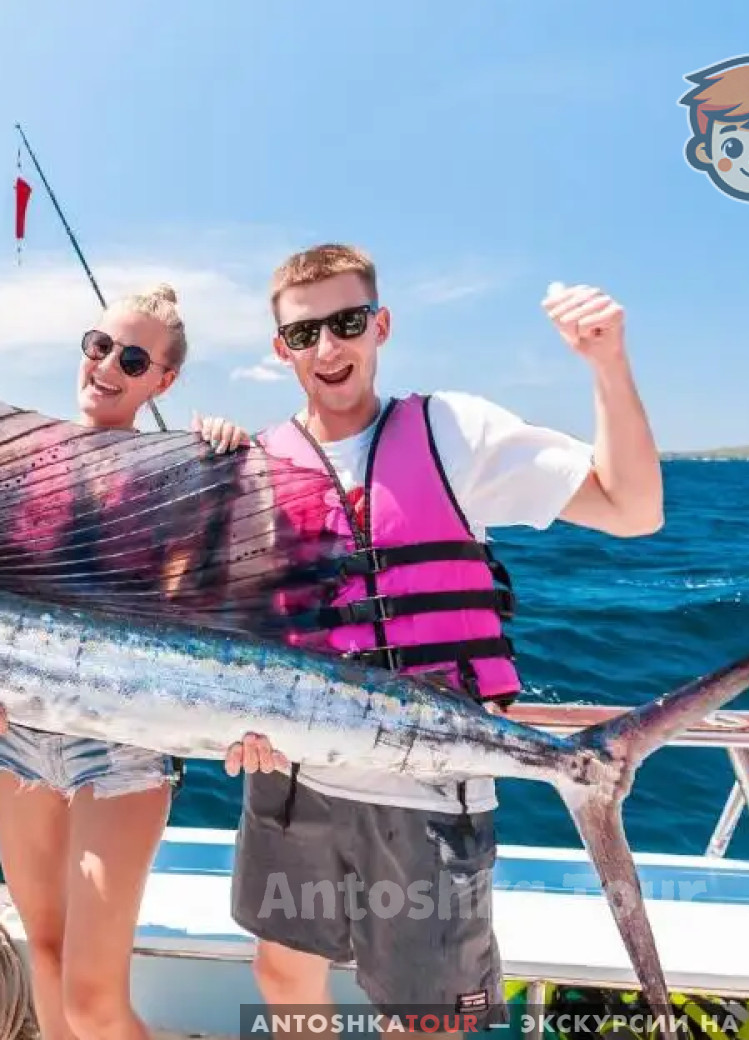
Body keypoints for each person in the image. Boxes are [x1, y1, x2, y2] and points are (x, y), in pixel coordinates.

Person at [224, 244, 663, 1035]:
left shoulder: (454, 431)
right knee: (282, 973)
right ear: (280, 349)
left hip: (427, 791)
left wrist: (608, 363)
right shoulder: (253, 464)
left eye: (347, 322)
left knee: (428, 1019)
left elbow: (633, 509)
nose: (328, 347)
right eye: (303, 333)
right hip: (292, 780)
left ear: (381, 325)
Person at [0, 283, 255, 1040]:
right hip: (16, 734)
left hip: (122, 741)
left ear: (163, 381)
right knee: (42, 953)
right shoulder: (26, 457)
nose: (107, 366)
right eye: (99, 345)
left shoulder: (181, 471)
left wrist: (227, 463)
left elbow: (201, 596)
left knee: (92, 1002)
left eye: (132, 360)